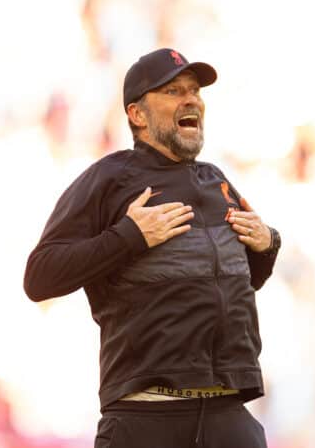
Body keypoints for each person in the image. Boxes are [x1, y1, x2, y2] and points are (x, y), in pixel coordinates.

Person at [23, 48, 281, 448]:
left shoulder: (218, 182)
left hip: (228, 415)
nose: (191, 99)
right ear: (138, 115)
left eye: (195, 91)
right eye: (174, 91)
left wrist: (267, 245)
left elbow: (239, 283)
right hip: (145, 418)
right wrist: (128, 236)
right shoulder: (109, 179)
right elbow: (40, 277)